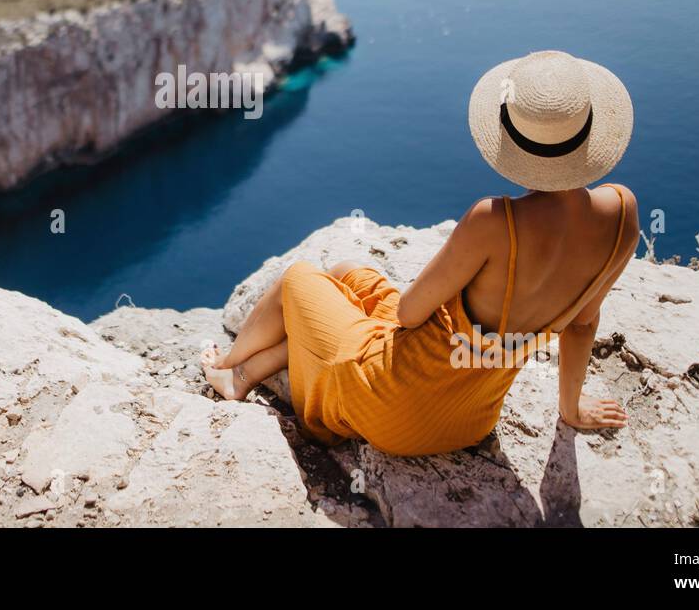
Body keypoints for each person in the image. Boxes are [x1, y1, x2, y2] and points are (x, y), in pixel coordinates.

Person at [201, 50, 640, 455]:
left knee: (297, 278)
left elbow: (409, 315)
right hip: (468, 421)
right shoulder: (621, 213)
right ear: (589, 133)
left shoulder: (493, 221)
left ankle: (230, 371)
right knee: (349, 272)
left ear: (511, 139)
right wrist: (571, 409)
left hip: (390, 408)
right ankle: (285, 352)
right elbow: (582, 325)